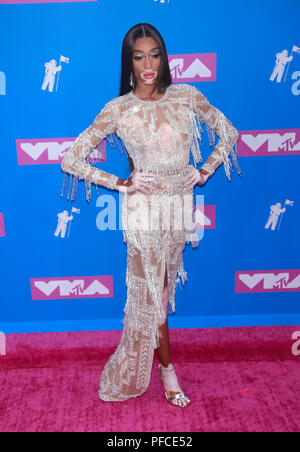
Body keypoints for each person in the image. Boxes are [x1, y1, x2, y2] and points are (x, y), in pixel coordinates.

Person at [60, 23, 241, 407]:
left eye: (154, 54)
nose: (148, 64)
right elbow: (71, 158)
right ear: (129, 61)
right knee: (154, 296)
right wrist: (120, 183)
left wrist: (205, 169)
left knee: (163, 289)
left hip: (178, 208)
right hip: (142, 212)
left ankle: (159, 363)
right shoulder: (119, 109)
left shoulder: (186, 96)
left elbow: (229, 132)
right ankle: (168, 371)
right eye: (139, 56)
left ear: (164, 56)